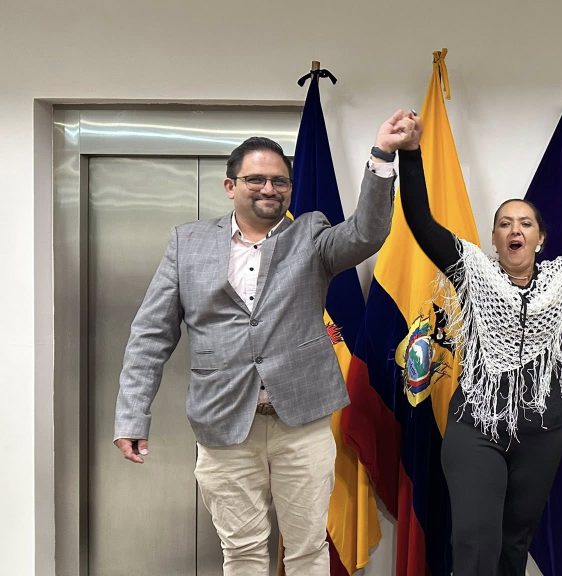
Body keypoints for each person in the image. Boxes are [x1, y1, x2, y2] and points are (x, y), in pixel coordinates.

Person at [112, 110, 416, 576]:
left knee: (308, 550)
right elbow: (151, 335)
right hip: (223, 423)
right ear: (230, 186)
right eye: (255, 179)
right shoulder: (187, 243)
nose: (269, 189)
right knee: (243, 552)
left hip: (302, 424)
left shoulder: (310, 235)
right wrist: (133, 415)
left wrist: (382, 156)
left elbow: (367, 232)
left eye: (280, 181)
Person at [397, 114, 562, 575]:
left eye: (525, 223)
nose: (514, 230)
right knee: (475, 539)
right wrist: (410, 153)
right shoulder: (473, 271)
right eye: (504, 224)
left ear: (540, 239)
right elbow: (421, 221)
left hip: (539, 434)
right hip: (476, 428)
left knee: (513, 544)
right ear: (495, 238)